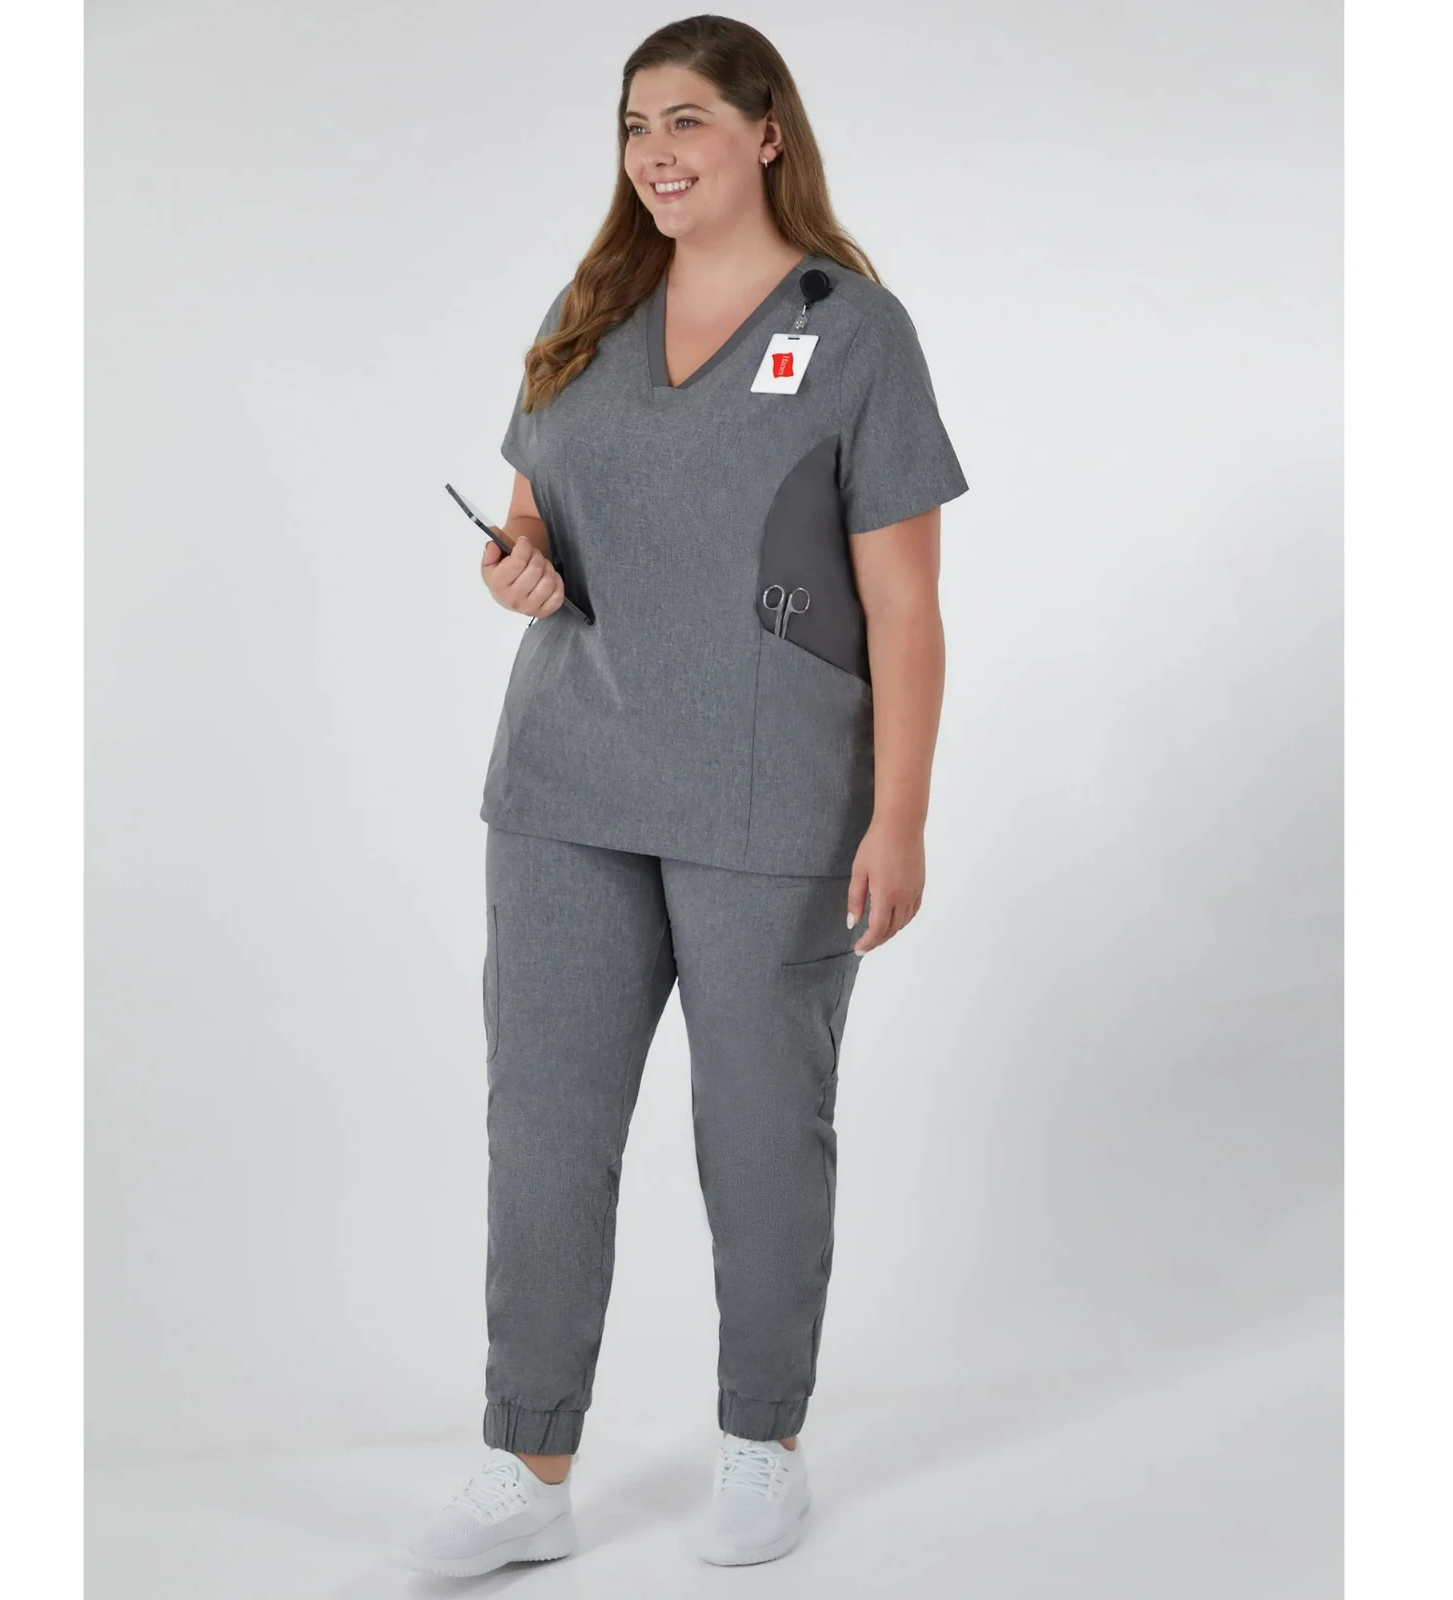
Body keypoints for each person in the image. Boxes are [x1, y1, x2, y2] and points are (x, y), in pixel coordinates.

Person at [402, 13, 967, 1578]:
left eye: (689, 121)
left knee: (762, 1131)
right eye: (636, 125)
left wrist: (901, 814)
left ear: (766, 131)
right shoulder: (588, 308)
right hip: (567, 781)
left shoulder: (852, 331)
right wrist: (516, 564)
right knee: (545, 1128)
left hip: (771, 799)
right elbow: (532, 518)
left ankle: (759, 1440)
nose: (656, 152)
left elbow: (906, 604)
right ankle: (526, 1464)